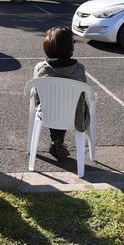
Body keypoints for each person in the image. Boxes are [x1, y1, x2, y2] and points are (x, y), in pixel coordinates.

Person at [31, 27, 90, 160]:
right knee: (68, 104)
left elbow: (36, 95)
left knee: (52, 104)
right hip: (74, 114)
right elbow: (83, 94)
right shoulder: (79, 69)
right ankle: (58, 142)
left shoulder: (41, 68)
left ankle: (56, 141)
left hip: (47, 113)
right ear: (70, 47)